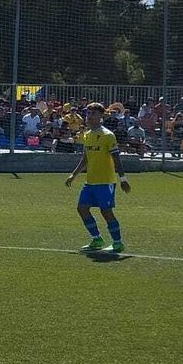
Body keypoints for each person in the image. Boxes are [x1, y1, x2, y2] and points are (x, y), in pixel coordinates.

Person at [65, 101, 131, 253]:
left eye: (93, 113)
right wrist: (73, 175)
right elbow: (85, 159)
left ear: (101, 115)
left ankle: (117, 242)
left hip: (105, 181)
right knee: (82, 209)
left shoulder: (107, 135)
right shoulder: (87, 135)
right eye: (88, 113)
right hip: (91, 181)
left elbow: (117, 159)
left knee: (106, 212)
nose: (89, 116)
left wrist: (123, 179)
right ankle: (97, 239)